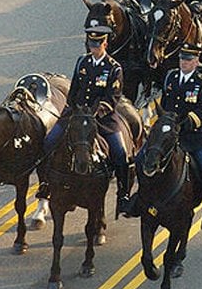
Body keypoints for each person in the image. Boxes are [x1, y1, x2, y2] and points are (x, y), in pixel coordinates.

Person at [39, 25, 134, 216]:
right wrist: (74, 108)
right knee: (47, 143)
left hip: (102, 117)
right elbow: (74, 89)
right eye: (91, 44)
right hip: (77, 114)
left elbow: (113, 96)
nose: (93, 48)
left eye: (97, 44)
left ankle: (123, 195)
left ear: (105, 44)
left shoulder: (113, 68)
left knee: (120, 152)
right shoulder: (82, 62)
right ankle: (45, 185)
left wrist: (97, 111)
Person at [160, 43, 202, 230]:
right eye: (181, 59)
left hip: (193, 136)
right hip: (170, 133)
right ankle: (139, 199)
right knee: (145, 157)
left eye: (188, 59)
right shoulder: (171, 77)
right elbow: (165, 102)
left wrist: (186, 122)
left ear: (196, 62)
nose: (183, 62)